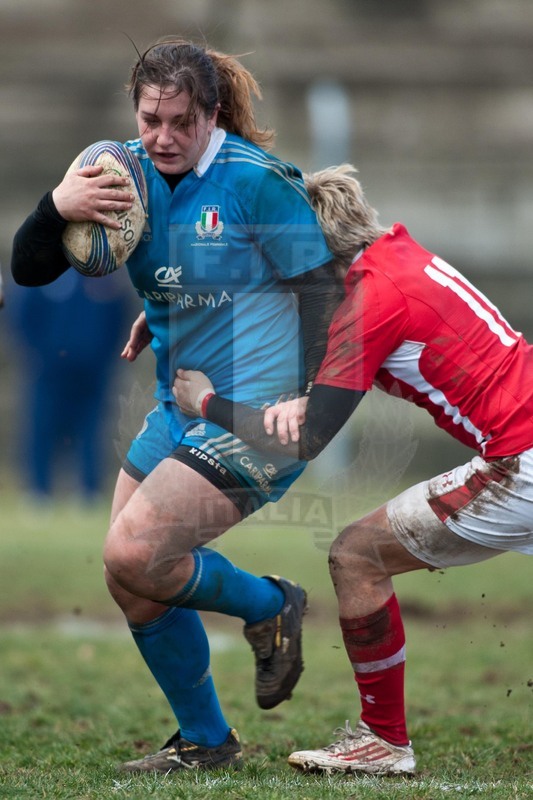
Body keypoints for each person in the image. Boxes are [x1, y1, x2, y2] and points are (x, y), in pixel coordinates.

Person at [10, 39, 341, 772]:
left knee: (136, 549)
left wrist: (304, 398)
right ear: (135, 109)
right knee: (129, 576)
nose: (161, 136)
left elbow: (322, 289)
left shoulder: (251, 182)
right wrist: (55, 206)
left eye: (180, 121)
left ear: (211, 114)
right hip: (178, 406)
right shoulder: (119, 175)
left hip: (257, 412)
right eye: (150, 117)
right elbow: (29, 270)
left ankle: (268, 604)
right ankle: (205, 741)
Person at [173, 163, 533, 776]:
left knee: (355, 556)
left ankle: (383, 741)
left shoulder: (370, 299)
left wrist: (205, 403)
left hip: (520, 463)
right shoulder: (396, 254)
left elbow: (307, 440)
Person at [7, 269, 130, 502]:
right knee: (42, 427)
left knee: (91, 428)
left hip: (93, 372)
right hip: (48, 372)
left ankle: (89, 491)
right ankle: (38, 491)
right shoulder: (40, 271)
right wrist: (37, 356)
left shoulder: (104, 273)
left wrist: (104, 357)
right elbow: (21, 317)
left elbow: (118, 318)